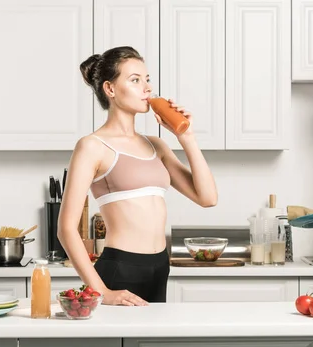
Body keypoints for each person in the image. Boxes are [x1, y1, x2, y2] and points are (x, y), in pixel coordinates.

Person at [57, 46, 217, 306]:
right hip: (120, 268)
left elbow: (208, 198)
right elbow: (66, 228)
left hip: (159, 266)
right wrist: (101, 292)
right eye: (135, 80)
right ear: (110, 89)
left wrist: (187, 138)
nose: (146, 88)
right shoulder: (92, 146)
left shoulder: (157, 145)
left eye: (147, 79)